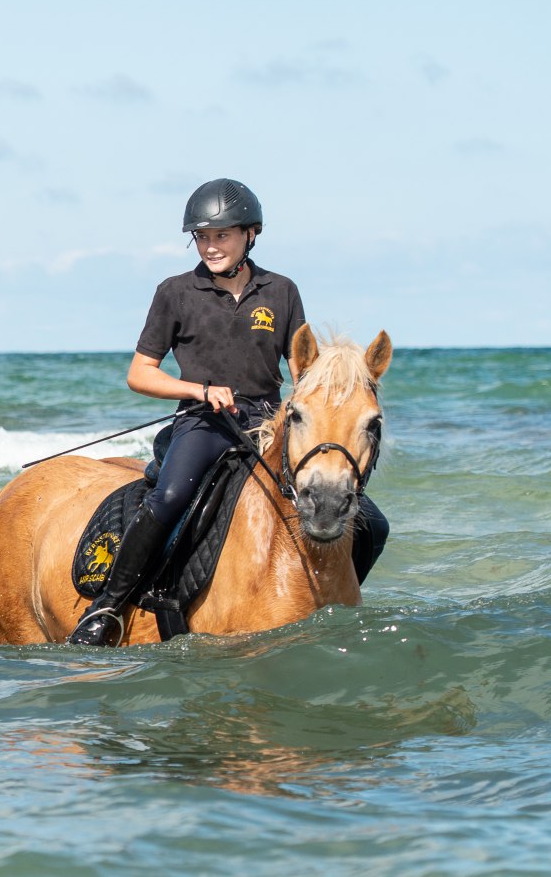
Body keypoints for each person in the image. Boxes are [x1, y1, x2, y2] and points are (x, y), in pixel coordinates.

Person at [68, 178, 389, 646]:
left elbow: (302, 370)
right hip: (205, 421)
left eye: (221, 235)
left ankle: (334, 597)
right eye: (202, 237)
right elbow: (140, 374)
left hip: (268, 421)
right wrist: (199, 390)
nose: (211, 246)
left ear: (250, 234)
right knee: (170, 496)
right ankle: (107, 608)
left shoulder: (281, 290)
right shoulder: (176, 292)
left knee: (373, 522)